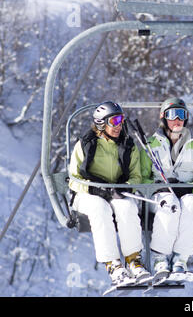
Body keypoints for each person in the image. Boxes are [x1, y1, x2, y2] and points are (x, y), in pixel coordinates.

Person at [68, 101, 150, 287]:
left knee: (128, 206)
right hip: (87, 195)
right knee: (100, 208)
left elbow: (136, 176)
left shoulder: (128, 145)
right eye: (114, 121)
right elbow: (73, 179)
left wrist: (126, 187)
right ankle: (113, 265)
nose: (118, 125)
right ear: (100, 124)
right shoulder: (86, 144)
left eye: (121, 120)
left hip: (115, 193)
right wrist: (94, 188)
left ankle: (133, 260)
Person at [140, 97, 193, 281]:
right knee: (169, 203)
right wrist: (158, 187)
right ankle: (160, 258)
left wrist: (188, 190)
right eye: (172, 115)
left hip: (186, 195)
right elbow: (141, 178)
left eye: (181, 115)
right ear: (163, 118)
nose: (177, 119)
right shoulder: (149, 145)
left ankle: (180, 259)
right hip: (158, 197)